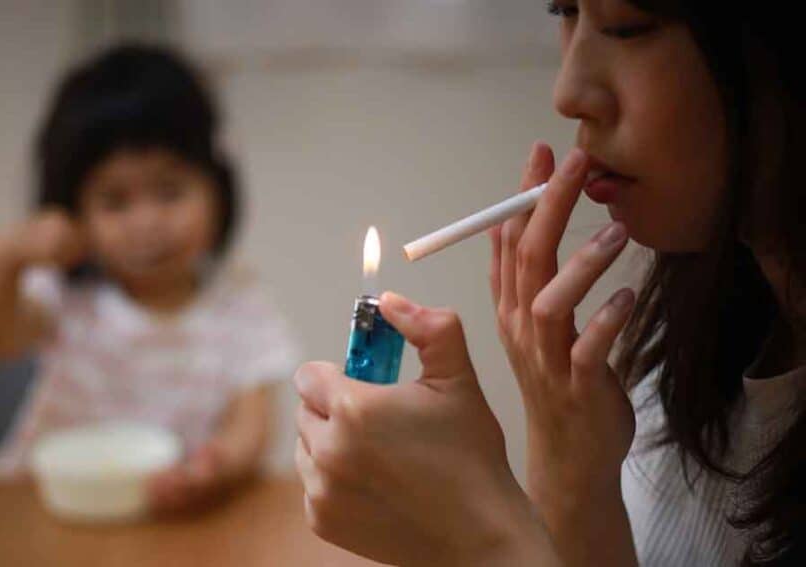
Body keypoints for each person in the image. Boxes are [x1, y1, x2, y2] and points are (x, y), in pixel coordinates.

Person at [294, 1, 804, 565]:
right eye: (564, 9)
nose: (567, 92)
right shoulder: (692, 359)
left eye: (626, 25)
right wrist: (566, 459)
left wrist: (482, 540)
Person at [0, 44, 298, 513]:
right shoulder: (67, 297)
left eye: (169, 191)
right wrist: (5, 257)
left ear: (217, 190)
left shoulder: (238, 302)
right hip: (58, 514)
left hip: (177, 520)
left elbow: (253, 423)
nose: (147, 222)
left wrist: (218, 464)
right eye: (116, 201)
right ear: (73, 211)